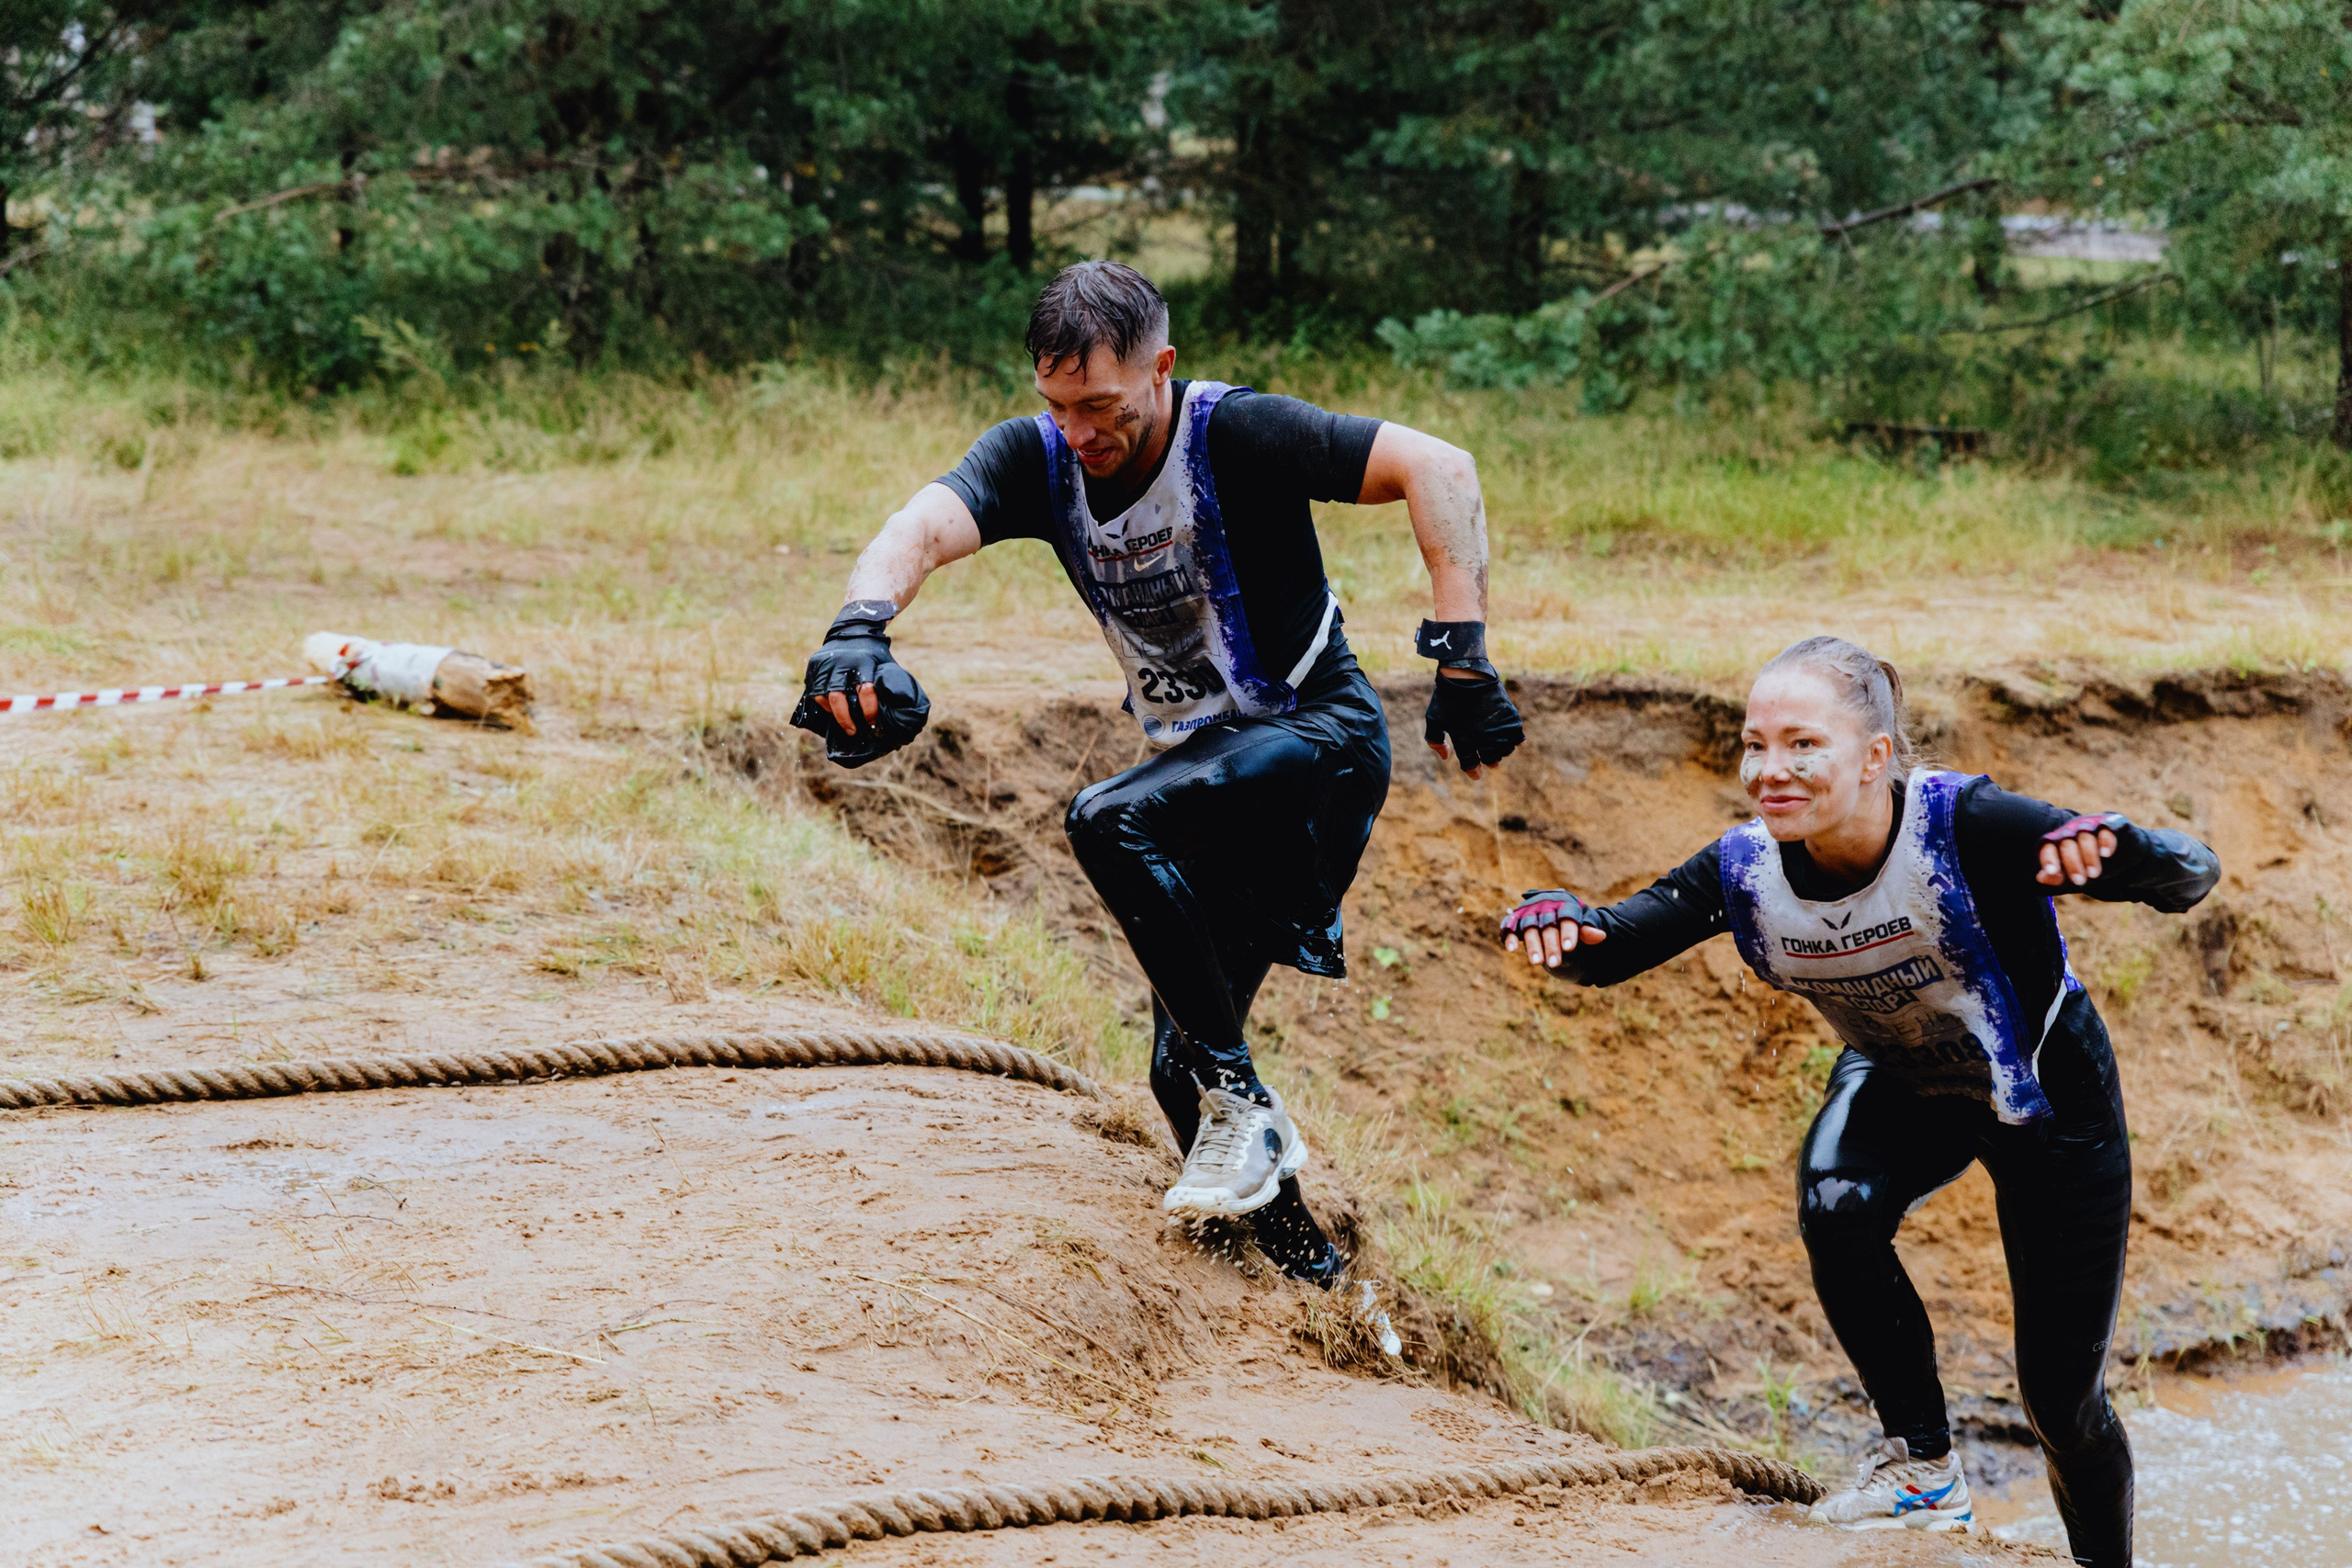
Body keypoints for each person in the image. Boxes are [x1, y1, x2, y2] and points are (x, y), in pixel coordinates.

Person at [792, 261, 1523, 1315]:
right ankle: (1318, 1290)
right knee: (1174, 1074)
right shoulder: (1036, 459)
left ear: (1159, 370)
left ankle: (1246, 1107)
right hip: (1208, 775)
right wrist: (858, 627)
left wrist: (1462, 656)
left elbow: (1440, 467)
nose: (1080, 432)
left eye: (1101, 406)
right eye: (1058, 405)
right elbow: (918, 527)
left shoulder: (1235, 433)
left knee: (1108, 816)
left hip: (1314, 741)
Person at [1498, 636, 2216, 1565]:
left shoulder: (1968, 826)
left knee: (2058, 1400)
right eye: (1755, 745)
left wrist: (2122, 853)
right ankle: (1920, 1471)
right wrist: (1559, 919)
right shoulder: (1744, 870)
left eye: (1803, 745)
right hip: (1905, 1081)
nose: (1769, 771)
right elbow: (1612, 944)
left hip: (2048, 1104)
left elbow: (2188, 874)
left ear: (1875, 757)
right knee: (1836, 1206)